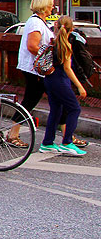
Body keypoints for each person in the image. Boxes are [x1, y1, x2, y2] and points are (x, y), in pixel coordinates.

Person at [7, 0, 54, 147]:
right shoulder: (36, 23)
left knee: (32, 99)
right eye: (50, 4)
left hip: (34, 67)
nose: (52, 7)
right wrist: (47, 60)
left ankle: (13, 133)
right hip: (34, 68)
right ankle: (13, 134)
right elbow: (32, 46)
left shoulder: (39, 21)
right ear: (44, 6)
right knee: (30, 99)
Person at [38, 17, 87, 156]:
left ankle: (47, 143)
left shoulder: (52, 42)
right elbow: (67, 68)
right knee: (74, 109)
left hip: (49, 79)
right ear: (71, 30)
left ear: (56, 27)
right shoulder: (66, 45)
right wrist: (79, 86)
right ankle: (67, 142)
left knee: (56, 110)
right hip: (60, 81)